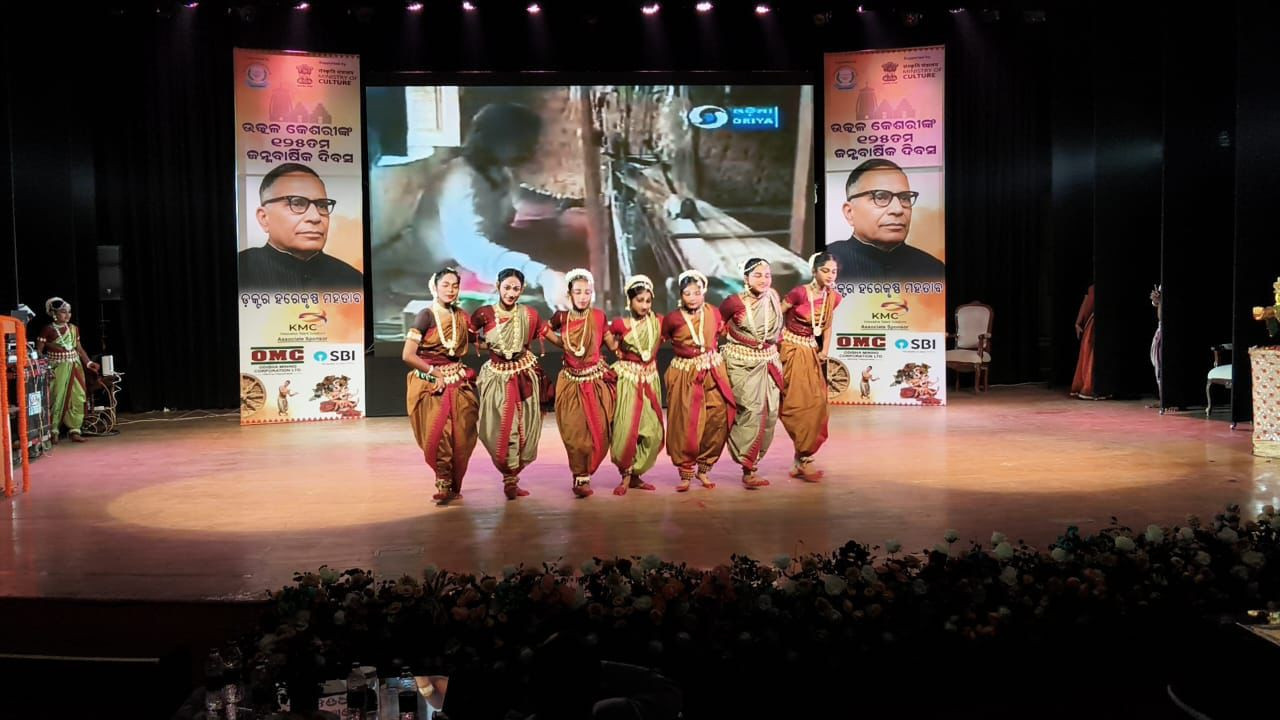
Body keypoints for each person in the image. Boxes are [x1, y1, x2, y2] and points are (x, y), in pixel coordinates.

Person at [379, 102, 573, 319]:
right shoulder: (460, 181)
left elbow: (502, 224)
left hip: (454, 269)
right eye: (525, 143)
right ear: (499, 140)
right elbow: (473, 251)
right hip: (409, 274)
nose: (532, 150)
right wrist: (543, 276)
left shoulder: (498, 174)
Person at [470, 268, 548, 499]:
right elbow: (470, 338)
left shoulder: (530, 314)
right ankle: (508, 475)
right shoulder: (484, 314)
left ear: (522, 289)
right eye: (507, 288)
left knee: (524, 427)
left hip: (525, 375)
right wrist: (492, 346)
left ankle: (512, 478)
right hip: (496, 378)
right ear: (497, 286)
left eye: (516, 289)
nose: (511, 293)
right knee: (500, 428)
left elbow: (548, 336)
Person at [404, 268, 479, 506]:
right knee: (440, 434)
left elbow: (478, 341)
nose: (450, 290)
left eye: (455, 285)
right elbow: (408, 354)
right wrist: (434, 372)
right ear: (434, 287)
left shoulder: (462, 316)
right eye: (445, 285)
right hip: (431, 383)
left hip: (459, 381)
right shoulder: (425, 315)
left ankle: (454, 483)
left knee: (463, 436)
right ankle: (443, 481)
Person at [543, 269, 616, 498]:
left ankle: (588, 469)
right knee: (574, 432)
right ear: (569, 294)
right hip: (570, 382)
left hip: (596, 382)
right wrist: (562, 344)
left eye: (587, 292)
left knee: (600, 432)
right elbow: (546, 331)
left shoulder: (599, 317)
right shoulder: (561, 318)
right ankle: (580, 476)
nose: (583, 297)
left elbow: (612, 344)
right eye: (578, 292)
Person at [237, 162, 362, 291]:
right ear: (264, 218)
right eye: (297, 203)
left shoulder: (353, 280)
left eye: (322, 205)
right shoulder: (239, 269)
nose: (315, 217)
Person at [662, 270, 735, 492]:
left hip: (713, 371)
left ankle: (704, 469)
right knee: (686, 423)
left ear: (704, 291)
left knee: (716, 418)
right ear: (680, 295)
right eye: (687, 293)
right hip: (686, 374)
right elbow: (658, 339)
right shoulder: (672, 319)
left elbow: (722, 333)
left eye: (697, 292)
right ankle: (685, 472)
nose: (692, 298)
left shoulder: (714, 312)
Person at [719, 258, 785, 489]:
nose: (764, 280)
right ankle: (748, 468)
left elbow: (776, 329)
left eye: (767, 275)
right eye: (758, 275)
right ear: (746, 278)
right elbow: (717, 326)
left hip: (769, 361)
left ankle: (754, 461)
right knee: (750, 411)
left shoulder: (773, 297)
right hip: (742, 363)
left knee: (771, 413)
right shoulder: (733, 302)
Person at [824, 158, 943, 282]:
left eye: (905, 198)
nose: (898, 209)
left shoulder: (934, 269)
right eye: (880, 197)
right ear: (850, 212)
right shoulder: (822, 263)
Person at [779, 253, 842, 481]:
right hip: (791, 350)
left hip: (811, 352)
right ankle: (804, 459)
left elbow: (827, 325)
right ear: (814, 271)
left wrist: (825, 349)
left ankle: (802, 458)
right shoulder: (799, 293)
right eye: (825, 271)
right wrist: (777, 340)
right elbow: (775, 314)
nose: (830, 275)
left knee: (817, 404)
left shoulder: (833, 297)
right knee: (796, 405)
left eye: (834, 271)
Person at [606, 275, 664, 496]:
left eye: (648, 301)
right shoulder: (620, 324)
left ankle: (637, 473)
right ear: (629, 301)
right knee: (627, 429)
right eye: (640, 300)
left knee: (652, 432)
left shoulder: (659, 322)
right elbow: (610, 343)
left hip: (650, 379)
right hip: (628, 380)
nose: (645, 305)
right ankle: (626, 476)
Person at [34, 297, 98, 443]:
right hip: (57, 368)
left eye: (69, 312)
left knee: (78, 397)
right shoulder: (48, 329)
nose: (67, 315)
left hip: (75, 366)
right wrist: (45, 368)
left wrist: (88, 363)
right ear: (54, 313)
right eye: (63, 312)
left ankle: (75, 430)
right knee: (57, 398)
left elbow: (79, 348)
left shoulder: (74, 328)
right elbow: (39, 352)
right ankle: (53, 431)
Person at [1071, 283, 1096, 399]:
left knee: (1090, 351)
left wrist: (1078, 322)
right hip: (1095, 322)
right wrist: (1078, 321)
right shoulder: (1093, 288)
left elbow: (1087, 301)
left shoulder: (1094, 288)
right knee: (1090, 351)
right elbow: (1087, 301)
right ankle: (1090, 386)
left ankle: (1092, 386)